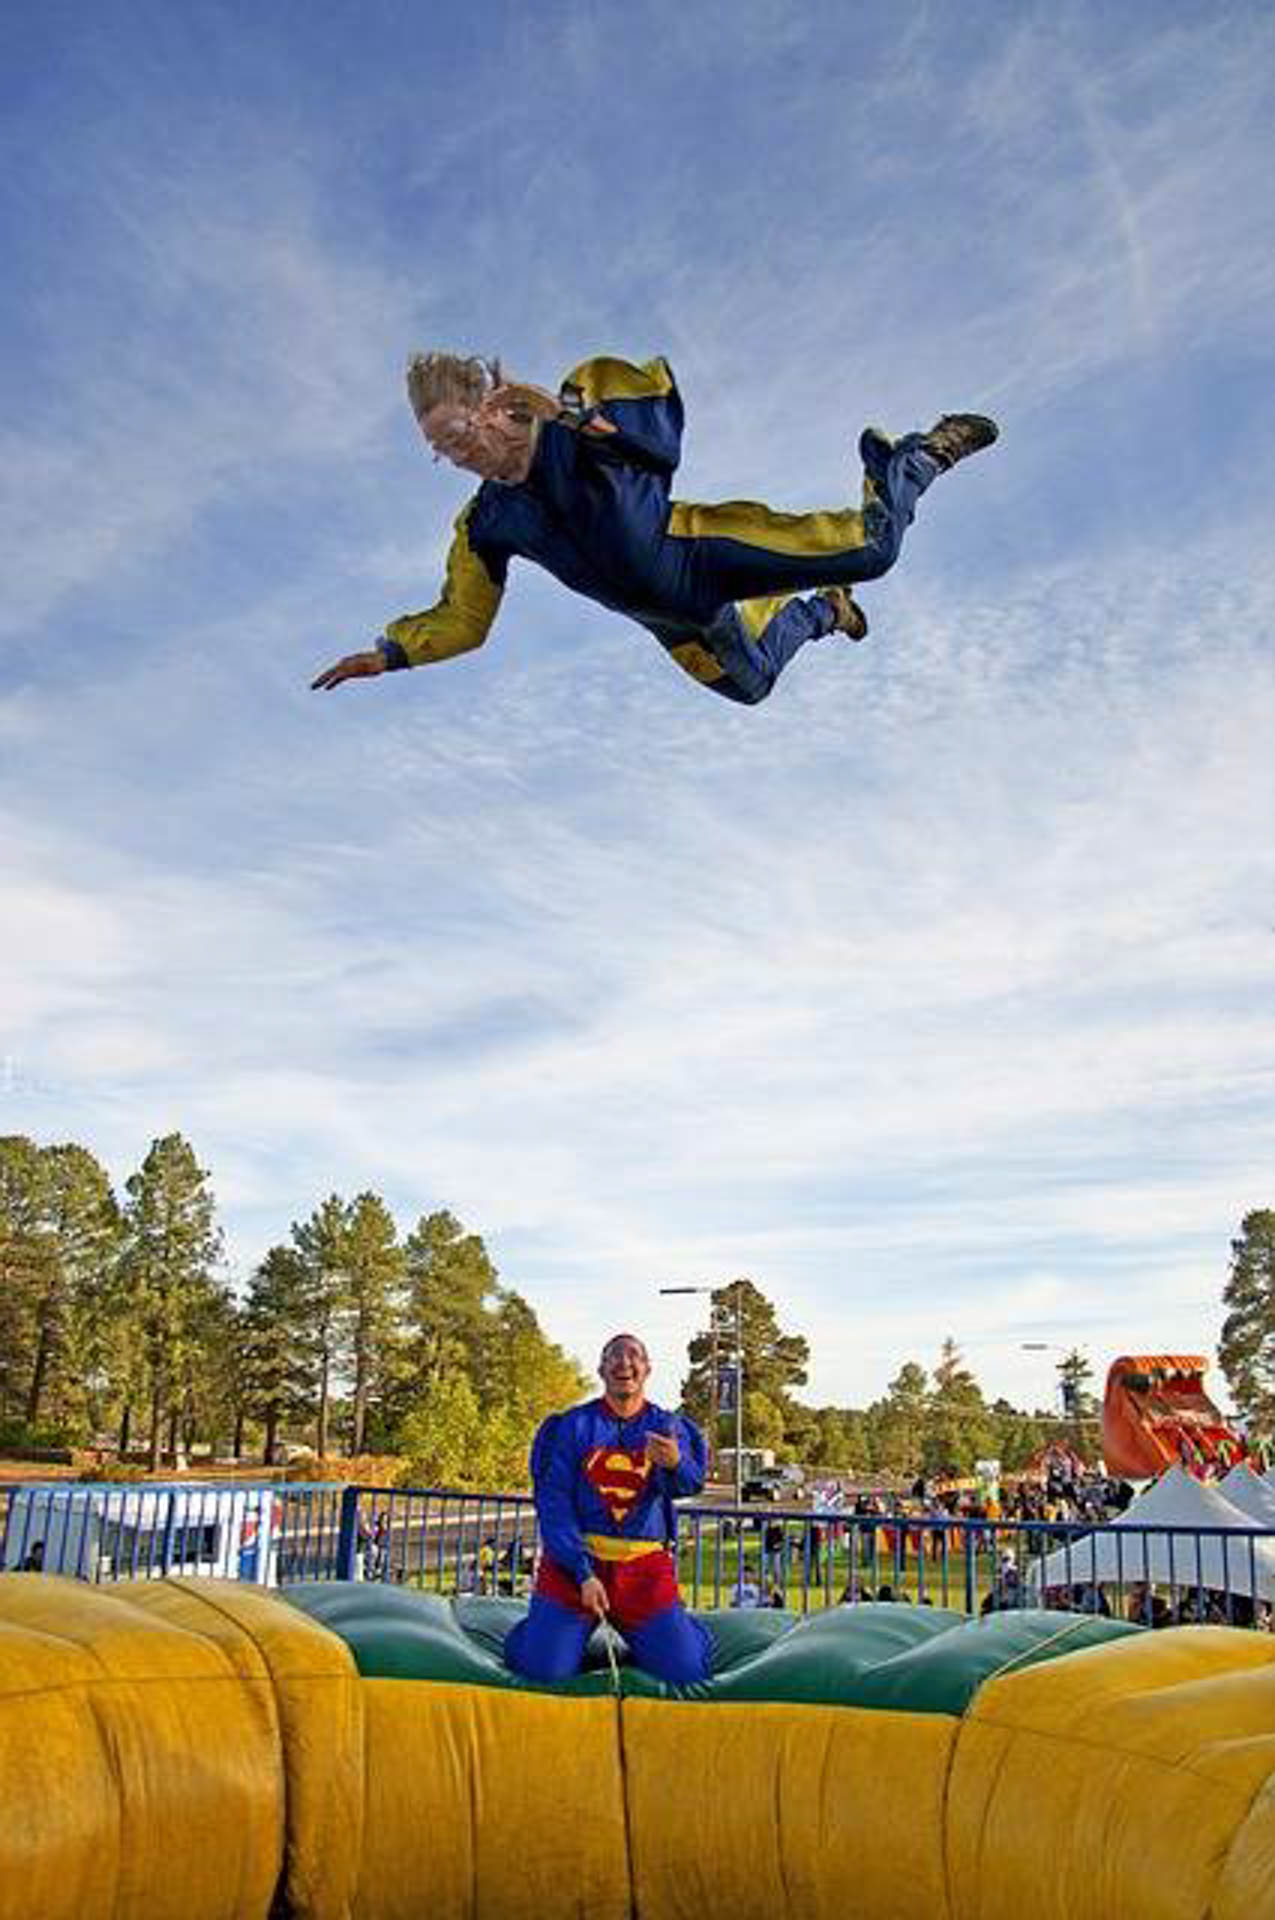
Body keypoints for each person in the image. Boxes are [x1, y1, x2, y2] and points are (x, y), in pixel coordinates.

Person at [311, 351, 998, 709]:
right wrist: (393, 654)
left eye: (457, 434)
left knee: (874, 548)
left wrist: (572, 418)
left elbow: (659, 450)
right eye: (440, 449)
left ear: (491, 409)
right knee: (752, 689)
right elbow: (464, 617)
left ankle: (910, 458)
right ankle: (827, 612)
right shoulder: (485, 522)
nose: (456, 456)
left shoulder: (571, 419)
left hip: (705, 556)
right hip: (671, 622)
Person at [504, 1331, 712, 1685]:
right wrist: (581, 1570)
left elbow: (688, 1485)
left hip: (644, 1570)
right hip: (575, 1571)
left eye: (634, 1355)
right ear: (601, 1369)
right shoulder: (572, 1426)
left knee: (687, 1671)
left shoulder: (667, 1426)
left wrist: (677, 1462)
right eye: (614, 1355)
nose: (624, 1362)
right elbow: (554, 1503)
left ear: (647, 1369)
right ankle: (539, 1630)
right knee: (542, 1671)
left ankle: (682, 1631)